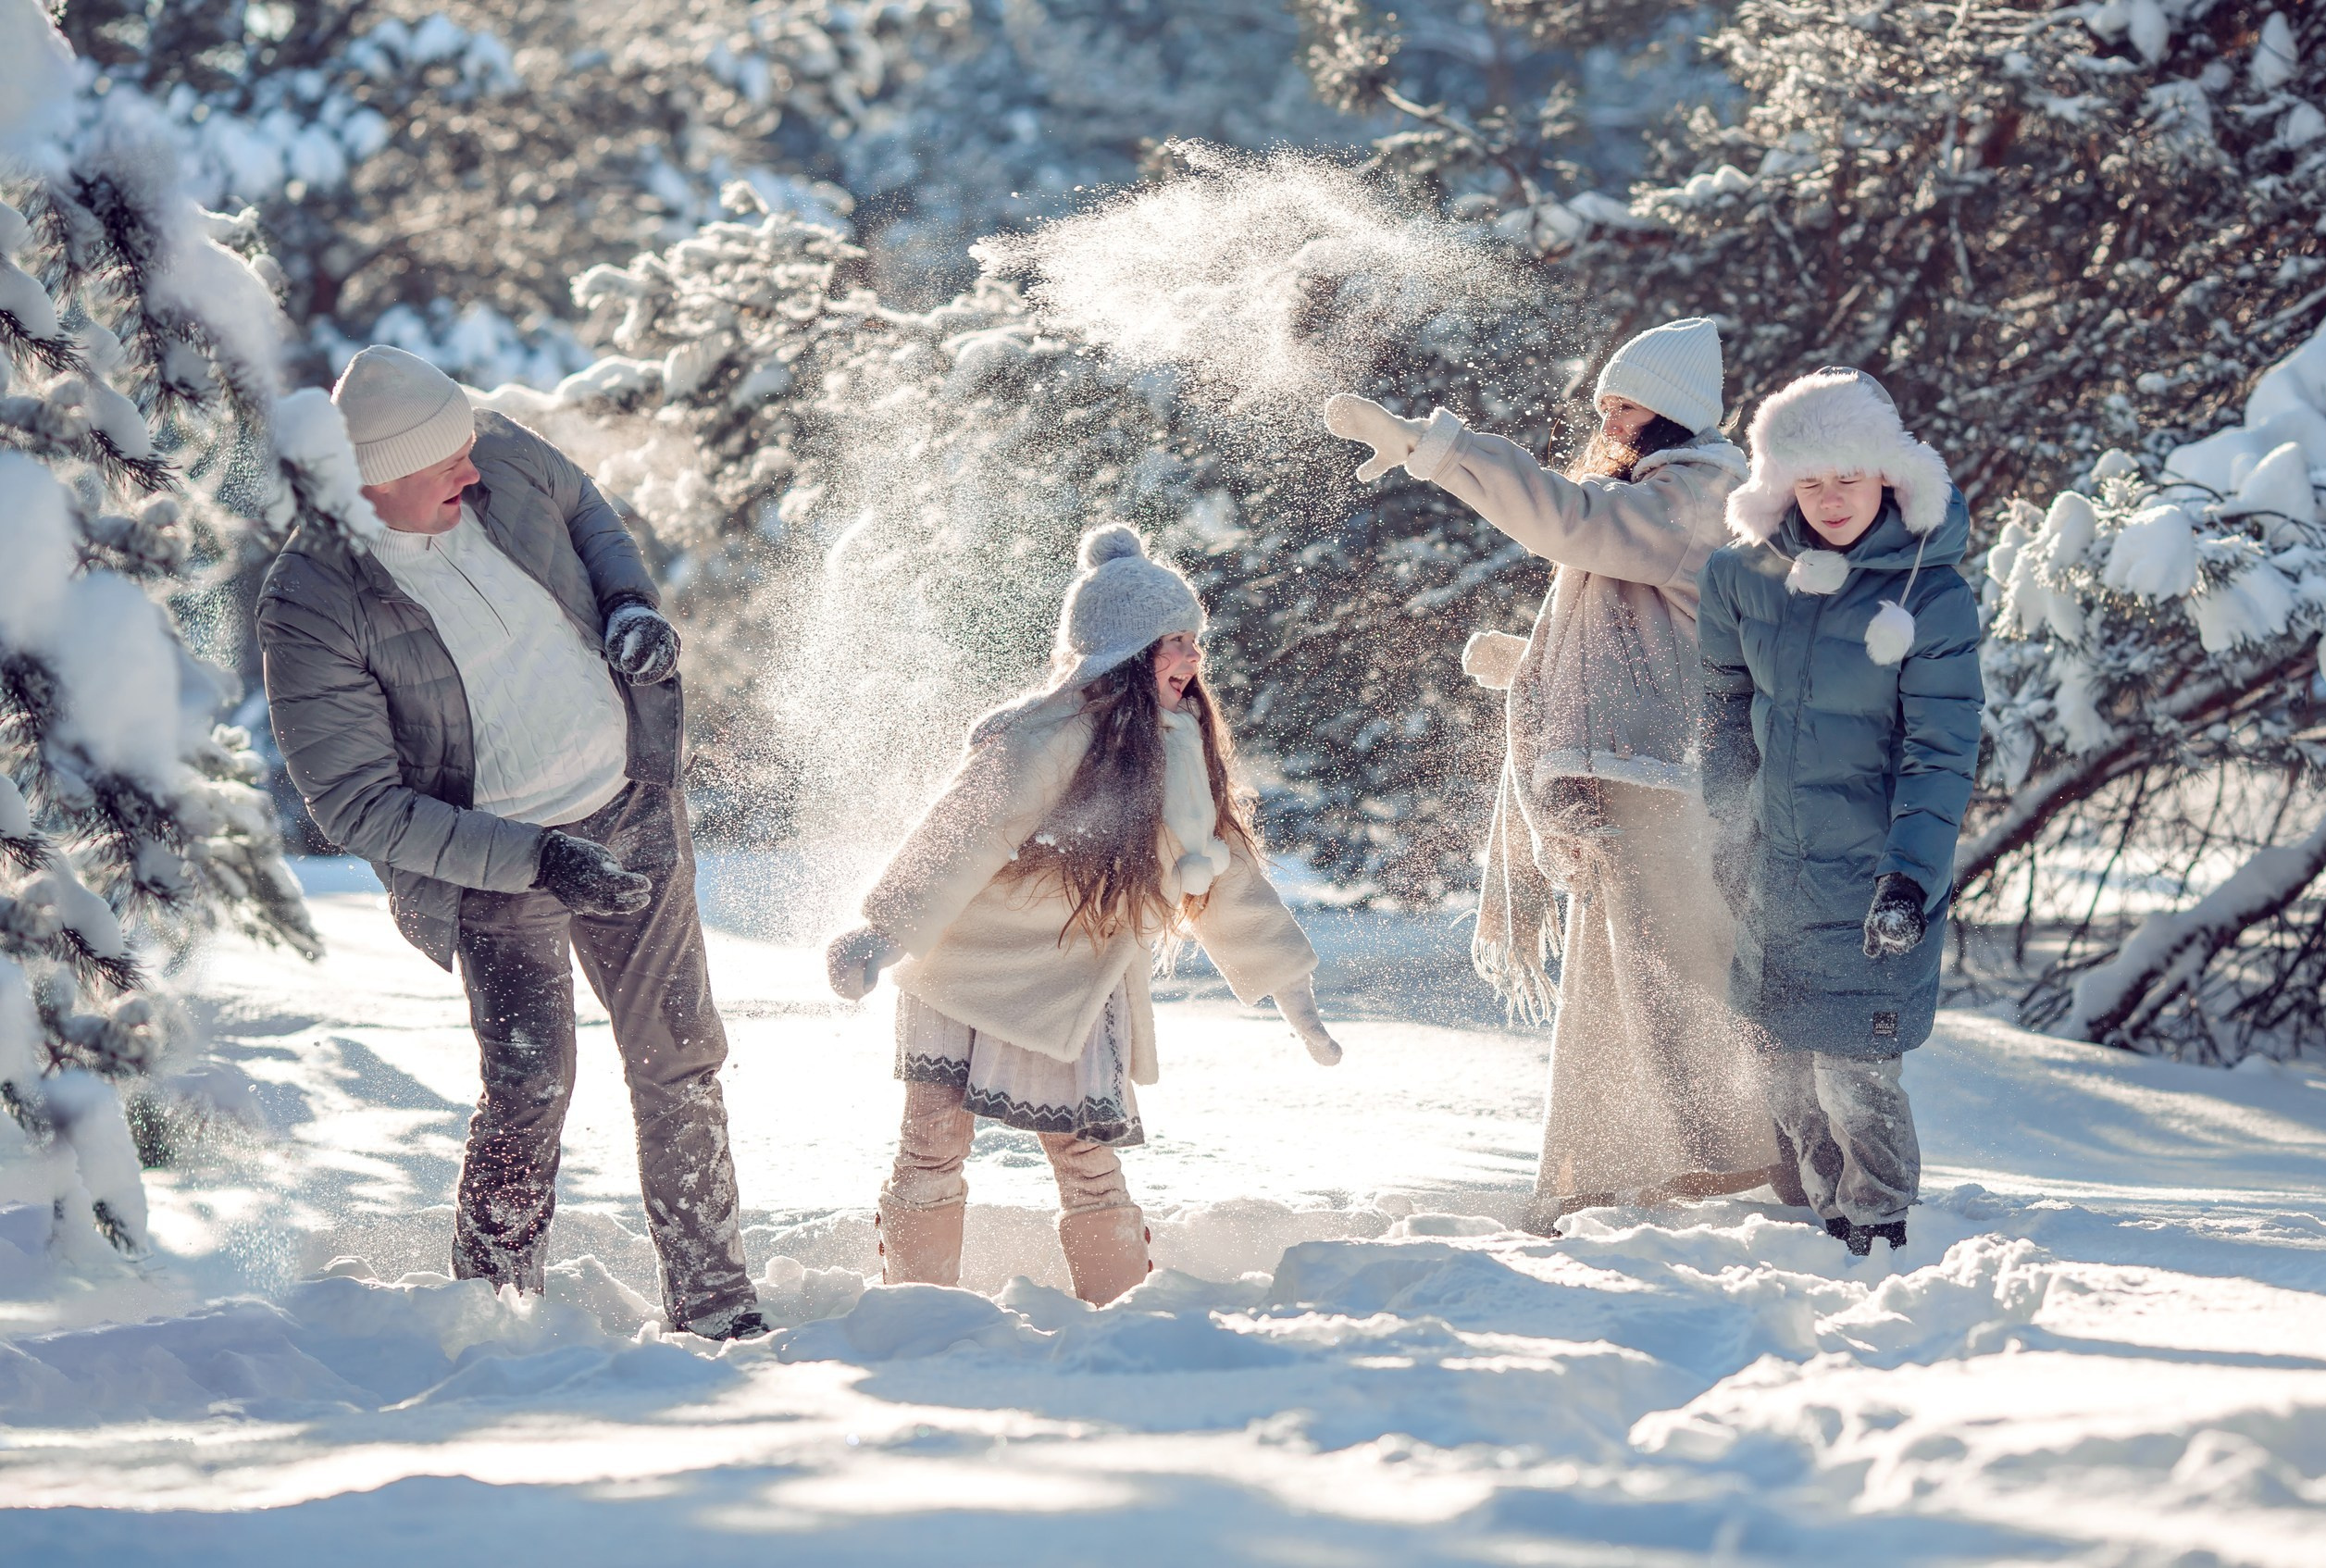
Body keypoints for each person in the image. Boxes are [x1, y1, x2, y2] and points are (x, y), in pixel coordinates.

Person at [257, 346, 764, 1338]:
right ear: (372, 484)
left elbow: (586, 512)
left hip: (629, 802)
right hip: (495, 860)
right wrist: (533, 858)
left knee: (679, 1060)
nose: (474, 469)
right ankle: (493, 1317)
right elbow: (356, 803)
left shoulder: (482, 442)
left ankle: (716, 1306)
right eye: (446, 465)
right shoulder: (313, 598)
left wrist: (630, 605)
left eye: (469, 448)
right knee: (531, 1084)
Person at [1325, 318, 1778, 1236]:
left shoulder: (1701, 492)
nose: (1607, 413)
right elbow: (1619, 612)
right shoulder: (1655, 495)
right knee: (1613, 989)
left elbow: (1573, 528)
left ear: (1679, 411)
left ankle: (1735, 1174)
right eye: (1605, 396)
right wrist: (1531, 663)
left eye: (1627, 399)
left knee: (1675, 979)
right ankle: (1613, 1178)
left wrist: (1437, 450)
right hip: (1631, 775)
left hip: (1670, 782)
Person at [824, 524, 1338, 1305]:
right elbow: (965, 831)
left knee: (1083, 1151)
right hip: (970, 960)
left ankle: (1123, 1311)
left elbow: (1220, 869)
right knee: (931, 1139)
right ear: (1126, 652)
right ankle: (914, 1311)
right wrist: (887, 928)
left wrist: (1290, 988)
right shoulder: (1047, 734)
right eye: (1175, 642)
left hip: (1074, 975)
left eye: (1196, 641)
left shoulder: (1182, 747)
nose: (1193, 659)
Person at [1695, 367, 1984, 1257]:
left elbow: (1943, 751)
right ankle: (1829, 1223)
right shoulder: (1743, 576)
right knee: (1781, 1072)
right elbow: (1721, 710)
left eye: (1847, 479)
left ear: (1889, 478)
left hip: (1873, 876)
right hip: (1774, 867)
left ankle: (1885, 1228)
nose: (1829, 500)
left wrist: (1910, 878)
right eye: (1808, 481)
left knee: (1855, 1074)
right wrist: (1725, 832)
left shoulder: (1931, 594)